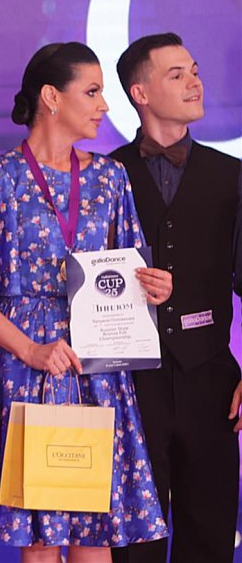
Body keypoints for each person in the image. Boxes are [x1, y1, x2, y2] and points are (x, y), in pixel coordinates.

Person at [0, 42, 173, 561]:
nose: (104, 105)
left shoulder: (110, 177)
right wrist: (30, 350)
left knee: (95, 533)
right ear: (51, 97)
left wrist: (155, 287)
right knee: (42, 539)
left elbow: (129, 271)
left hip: (99, 364)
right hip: (29, 364)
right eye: (92, 92)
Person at [105, 33, 241, 563]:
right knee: (133, 544)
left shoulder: (231, 177)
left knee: (209, 537)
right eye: (176, 74)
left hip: (211, 382)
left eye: (195, 71)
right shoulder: (105, 176)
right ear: (139, 93)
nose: (194, 82)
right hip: (129, 387)